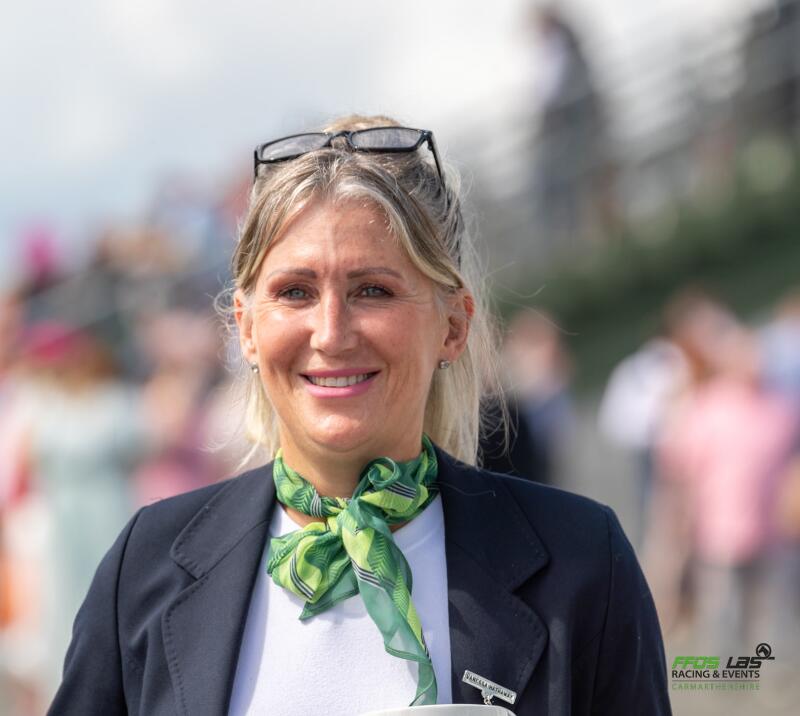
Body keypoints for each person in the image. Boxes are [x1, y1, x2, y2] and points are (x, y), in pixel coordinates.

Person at [49, 115, 670, 715]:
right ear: (246, 328)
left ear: (453, 324)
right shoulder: (148, 564)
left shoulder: (583, 561)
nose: (331, 333)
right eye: (295, 292)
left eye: (372, 290)